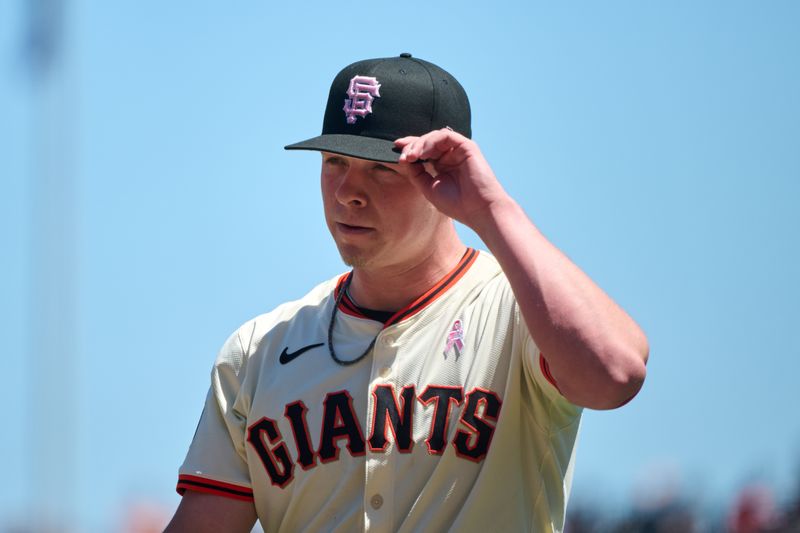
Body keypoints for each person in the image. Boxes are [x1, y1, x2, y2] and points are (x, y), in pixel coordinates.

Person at [165, 53, 649, 533]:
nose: (346, 192)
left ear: (446, 175)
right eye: (334, 161)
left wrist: (491, 208)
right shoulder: (259, 349)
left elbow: (615, 374)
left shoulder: (522, 312)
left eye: (381, 168)